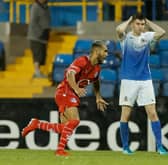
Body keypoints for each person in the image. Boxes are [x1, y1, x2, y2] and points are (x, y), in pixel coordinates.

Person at [22, 40, 109, 156]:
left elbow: (96, 81)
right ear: (97, 51)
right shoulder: (82, 61)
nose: (107, 54)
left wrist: (98, 96)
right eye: (105, 51)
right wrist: (76, 88)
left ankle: (36, 124)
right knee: (75, 121)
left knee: (64, 128)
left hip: (70, 94)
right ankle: (59, 150)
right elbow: (70, 74)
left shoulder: (97, 69)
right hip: (65, 91)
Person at [116, 12, 167, 155]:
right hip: (128, 80)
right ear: (133, 24)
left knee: (153, 113)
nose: (140, 27)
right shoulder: (126, 39)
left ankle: (160, 147)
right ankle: (125, 147)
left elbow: (161, 32)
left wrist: (148, 21)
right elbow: (119, 30)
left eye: (142, 24)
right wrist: (129, 19)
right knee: (125, 114)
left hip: (145, 80)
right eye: (138, 24)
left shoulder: (147, 36)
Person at [27, 0, 50, 78]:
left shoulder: (45, 7)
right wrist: (39, 33)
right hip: (36, 36)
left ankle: (39, 72)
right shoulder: (35, 7)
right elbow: (33, 22)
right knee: (37, 55)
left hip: (44, 36)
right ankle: (37, 72)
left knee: (42, 55)